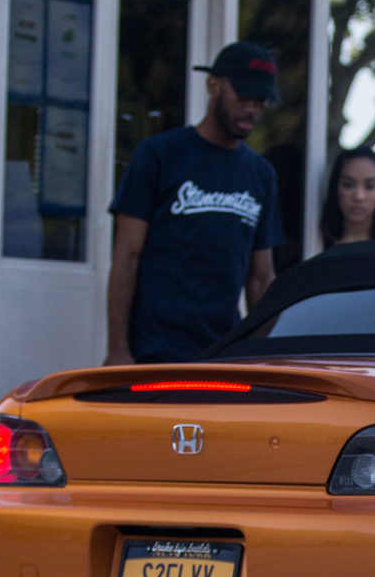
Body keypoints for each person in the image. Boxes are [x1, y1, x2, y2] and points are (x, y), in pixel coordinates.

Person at [105, 41, 286, 365]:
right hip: (153, 353)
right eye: (244, 96)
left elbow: (260, 277)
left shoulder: (261, 174)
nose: (252, 109)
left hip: (223, 356)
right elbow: (126, 257)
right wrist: (118, 349)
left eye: (261, 101)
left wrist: (260, 357)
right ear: (213, 85)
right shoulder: (158, 155)